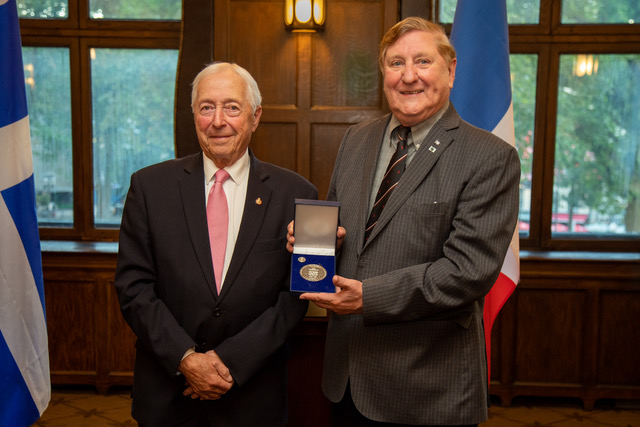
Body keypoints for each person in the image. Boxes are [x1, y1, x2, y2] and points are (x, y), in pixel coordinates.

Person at [287, 17, 520, 426]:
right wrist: (316, 241)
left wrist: (368, 298)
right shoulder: (357, 139)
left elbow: (467, 272)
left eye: (422, 62)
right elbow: (349, 230)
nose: (408, 76)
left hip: (426, 390)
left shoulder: (489, 157)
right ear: (383, 74)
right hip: (347, 379)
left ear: (450, 71)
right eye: (396, 64)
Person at [114, 62, 317, 426]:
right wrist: (186, 359)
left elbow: (295, 295)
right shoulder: (149, 188)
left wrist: (229, 363)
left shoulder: (298, 194)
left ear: (255, 117)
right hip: (167, 396)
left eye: (232, 107)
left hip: (252, 397)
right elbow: (133, 287)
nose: (218, 120)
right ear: (194, 115)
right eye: (206, 107)